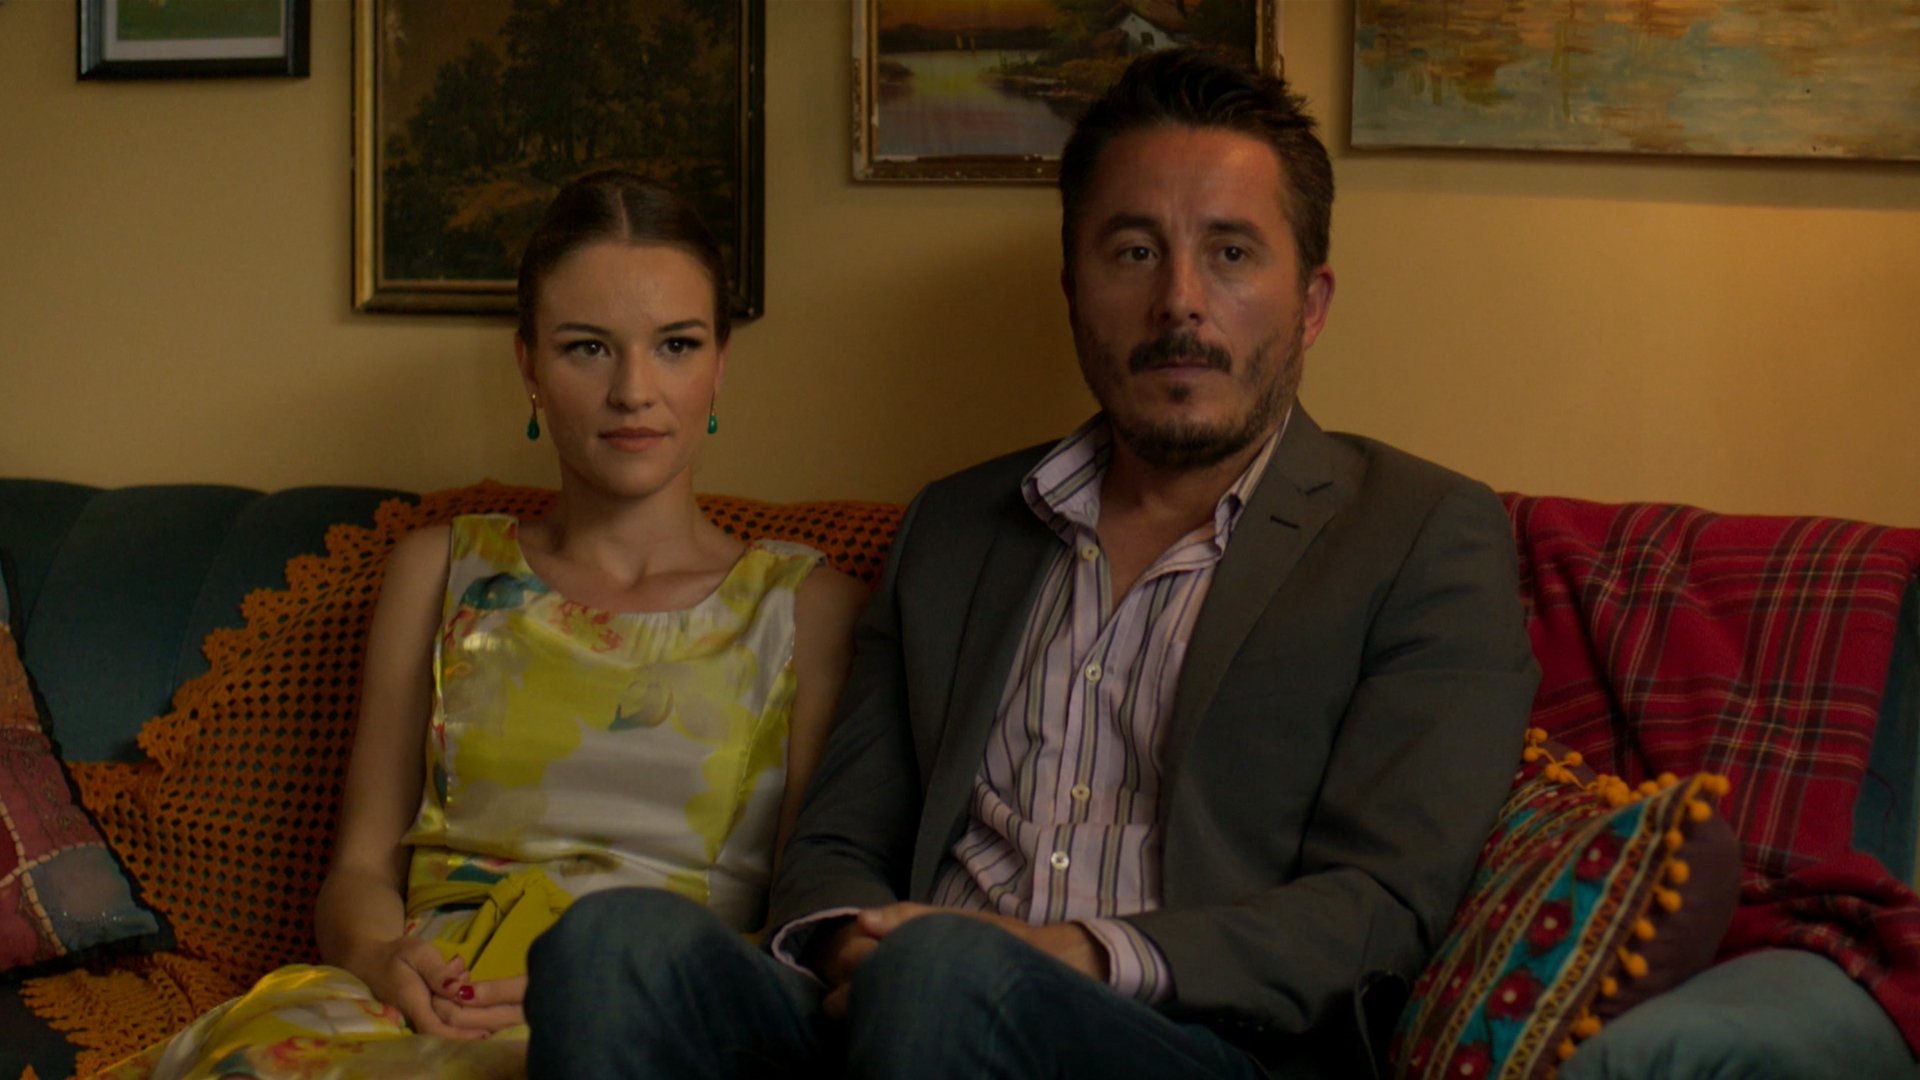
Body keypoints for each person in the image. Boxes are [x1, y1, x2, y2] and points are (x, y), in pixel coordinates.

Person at [524, 49, 1539, 1080]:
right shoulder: (955, 527)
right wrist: (850, 943)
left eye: (1231, 252)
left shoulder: (1419, 534)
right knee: (610, 946)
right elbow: (840, 841)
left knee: (943, 976)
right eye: (1133, 252)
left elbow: (1383, 905)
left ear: (1311, 304)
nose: (1180, 301)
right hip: (892, 1004)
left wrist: (1076, 954)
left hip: (1186, 1039)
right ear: (1073, 292)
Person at [100, 171, 867, 1080]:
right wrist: (383, 957)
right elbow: (360, 871)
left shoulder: (807, 607)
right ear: (529, 367)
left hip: (657, 1012)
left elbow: (801, 926)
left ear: (719, 365)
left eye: (675, 344)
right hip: (425, 997)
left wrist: (607, 990)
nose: (634, 390)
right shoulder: (440, 568)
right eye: (587, 348)